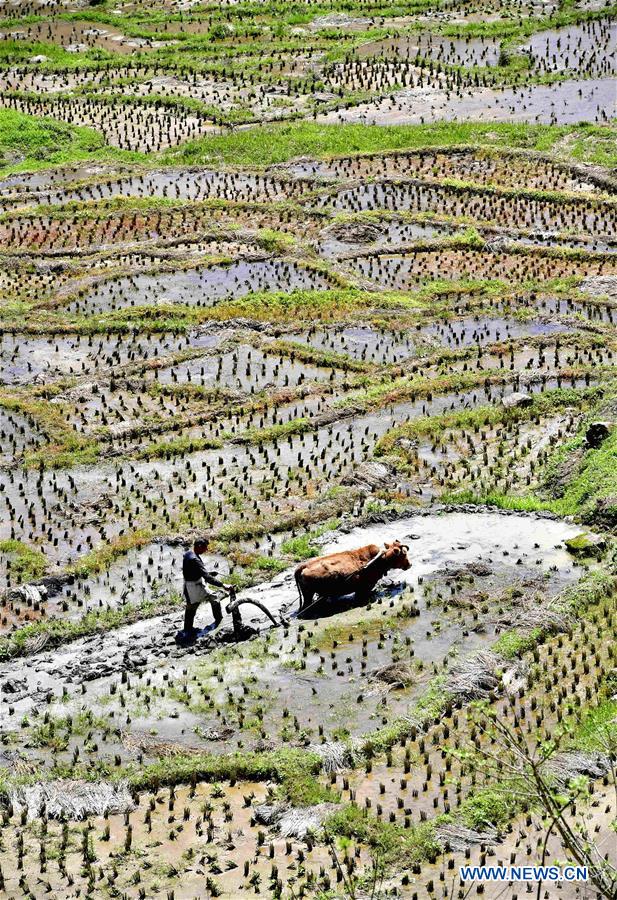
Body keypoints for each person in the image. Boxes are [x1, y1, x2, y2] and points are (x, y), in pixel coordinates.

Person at [182, 537, 232, 636]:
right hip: (194, 587)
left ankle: (187, 629)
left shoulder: (188, 554)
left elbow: (191, 570)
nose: (206, 550)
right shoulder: (196, 560)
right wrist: (223, 585)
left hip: (188, 585)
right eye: (205, 547)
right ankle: (219, 621)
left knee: (191, 608)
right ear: (199, 546)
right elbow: (208, 578)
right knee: (214, 598)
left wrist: (208, 573)